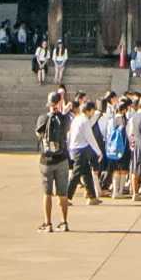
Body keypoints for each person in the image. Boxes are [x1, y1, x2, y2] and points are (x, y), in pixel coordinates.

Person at [35, 91, 75, 231]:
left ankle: (48, 223)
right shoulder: (65, 119)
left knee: (47, 193)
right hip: (62, 159)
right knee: (63, 194)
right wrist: (64, 112)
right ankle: (64, 222)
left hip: (46, 161)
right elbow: (67, 130)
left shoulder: (43, 118)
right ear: (59, 103)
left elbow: (38, 134)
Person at [67, 97, 104, 204]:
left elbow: (70, 135)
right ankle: (66, 197)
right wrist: (98, 151)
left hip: (75, 148)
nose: (93, 113)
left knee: (86, 173)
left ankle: (92, 196)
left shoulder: (76, 119)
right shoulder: (84, 120)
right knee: (76, 174)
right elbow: (90, 137)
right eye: (92, 110)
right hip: (81, 149)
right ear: (89, 110)